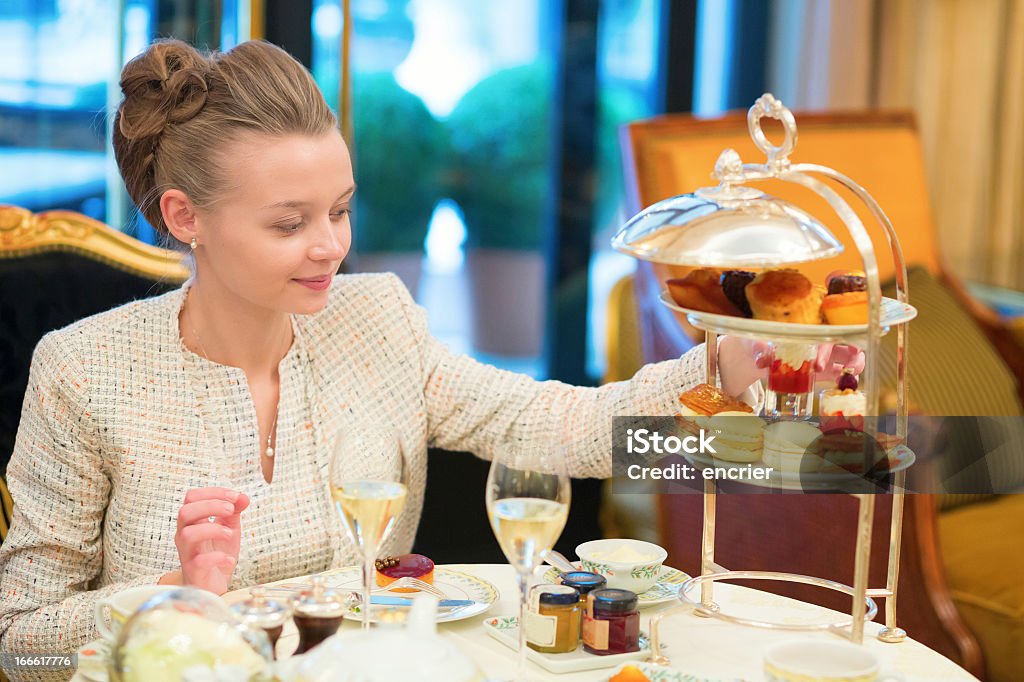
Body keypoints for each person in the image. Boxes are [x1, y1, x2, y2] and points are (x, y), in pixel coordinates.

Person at [0, 39, 861, 671]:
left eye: (339, 209)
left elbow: (557, 426)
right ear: (186, 218)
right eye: (288, 223)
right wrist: (172, 596)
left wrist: (721, 373)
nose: (330, 246)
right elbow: (19, 635)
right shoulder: (85, 371)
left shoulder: (378, 322)